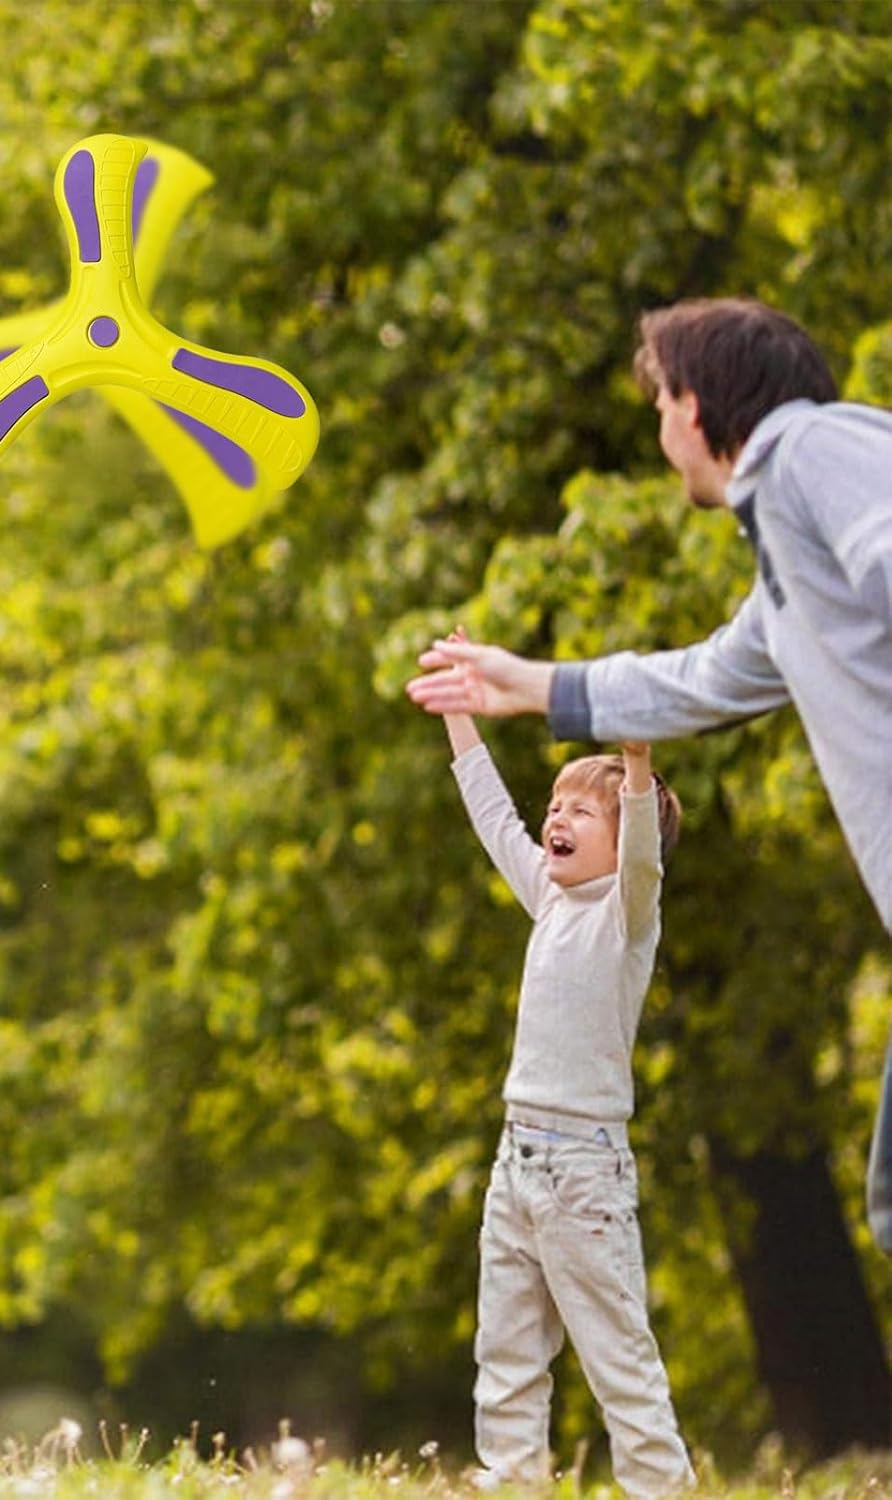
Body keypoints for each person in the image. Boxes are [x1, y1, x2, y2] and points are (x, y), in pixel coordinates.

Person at [405, 297, 892, 1254]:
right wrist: (534, 685)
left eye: (664, 401)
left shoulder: (811, 451)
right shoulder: (788, 568)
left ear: (699, 406)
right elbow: (704, 680)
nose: (662, 427)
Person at [432, 637, 692, 1497]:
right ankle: (510, 1480)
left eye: (586, 811)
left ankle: (660, 1486)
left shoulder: (627, 915)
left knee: (619, 1355)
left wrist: (635, 757)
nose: (559, 818)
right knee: (504, 1351)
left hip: (584, 1172)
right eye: (558, 804)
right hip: (517, 1165)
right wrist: (463, 721)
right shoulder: (547, 897)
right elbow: (492, 817)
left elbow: (645, 848)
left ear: (624, 842)